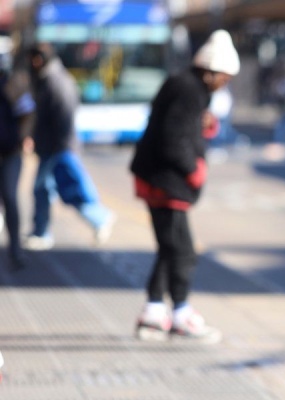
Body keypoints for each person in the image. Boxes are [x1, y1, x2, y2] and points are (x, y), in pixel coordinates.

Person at [129, 30, 240, 343]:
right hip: (165, 181)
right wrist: (194, 171)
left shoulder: (187, 86)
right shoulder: (189, 89)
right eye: (225, 78)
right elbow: (173, 138)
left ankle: (154, 312)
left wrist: (203, 124)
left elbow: (179, 125)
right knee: (183, 251)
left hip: (158, 178)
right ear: (211, 71)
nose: (225, 84)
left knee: (170, 248)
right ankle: (178, 312)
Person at [25, 43, 116, 251]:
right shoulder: (49, 79)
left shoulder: (55, 82)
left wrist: (61, 147)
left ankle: (45, 231)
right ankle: (45, 230)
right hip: (55, 146)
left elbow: (64, 118)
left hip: (58, 148)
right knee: (54, 190)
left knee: (53, 189)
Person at [0, 37, 35, 269]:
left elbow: (28, 113)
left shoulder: (13, 83)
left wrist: (24, 138)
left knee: (10, 199)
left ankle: (15, 250)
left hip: (10, 153)